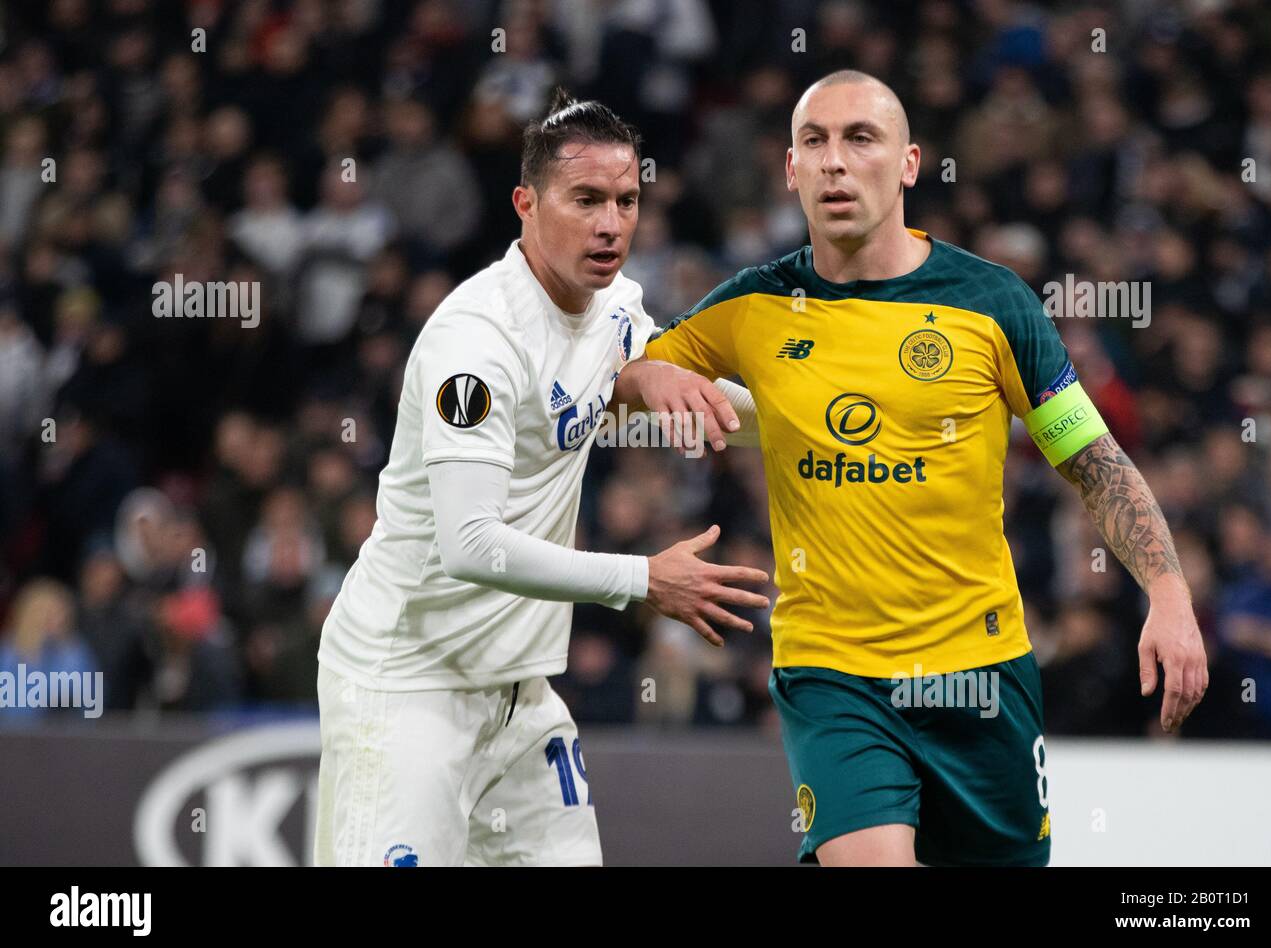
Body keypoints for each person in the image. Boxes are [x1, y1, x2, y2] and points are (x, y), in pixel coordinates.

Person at [614, 70, 1208, 866]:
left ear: (909, 164)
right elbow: (626, 376)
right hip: (835, 676)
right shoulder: (753, 304)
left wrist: (1168, 595)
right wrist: (650, 371)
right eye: (813, 142)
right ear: (790, 170)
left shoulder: (993, 303)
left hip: (981, 672)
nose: (834, 162)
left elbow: (1096, 465)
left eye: (860, 139)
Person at [314, 91, 768, 867]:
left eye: (626, 200)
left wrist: (839, 421)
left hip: (520, 693)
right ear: (525, 203)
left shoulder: (617, 308)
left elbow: (701, 401)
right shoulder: (477, 343)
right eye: (585, 199)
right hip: (407, 685)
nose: (611, 223)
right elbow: (469, 544)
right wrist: (642, 579)